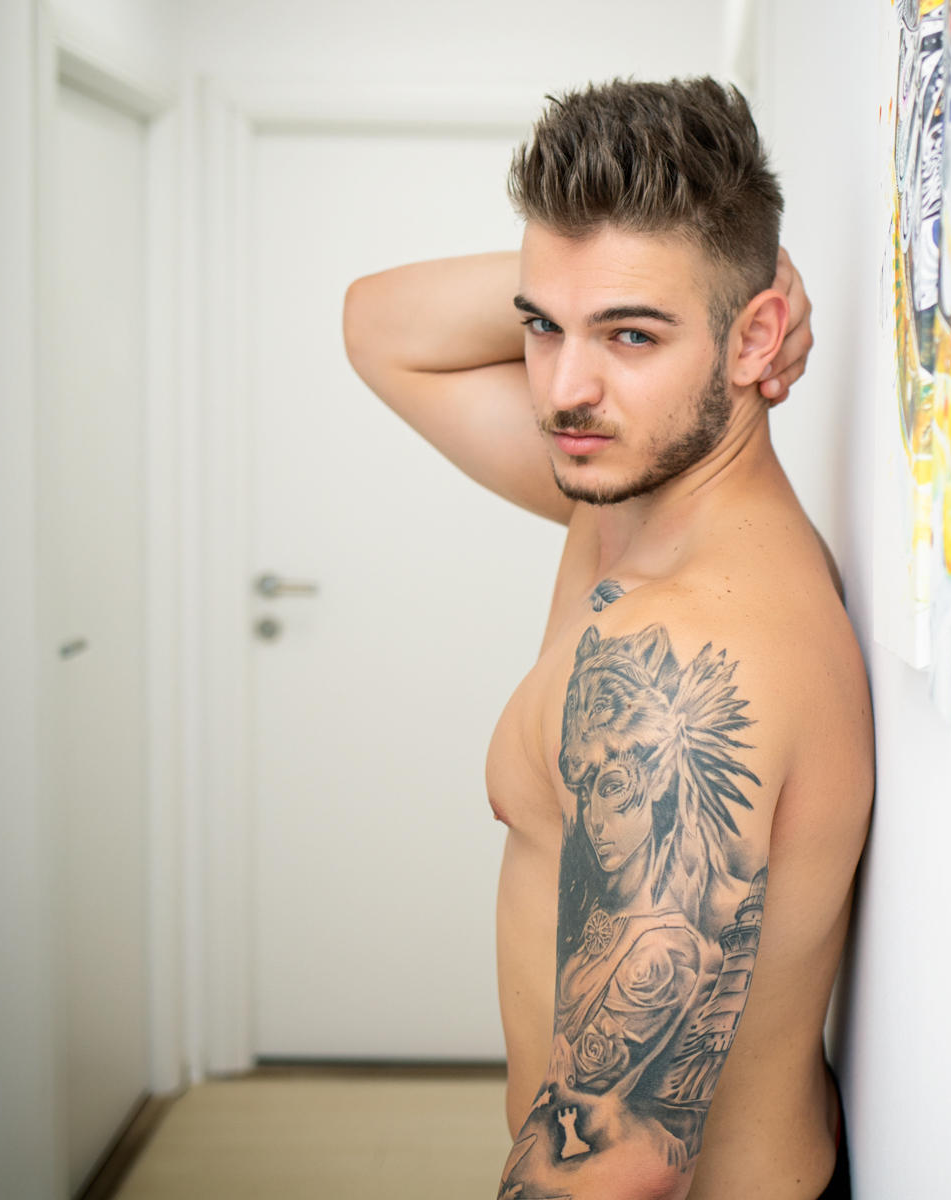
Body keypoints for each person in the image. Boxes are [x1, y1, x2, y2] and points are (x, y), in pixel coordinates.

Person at [342, 76, 873, 1199]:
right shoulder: (622, 492)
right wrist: (684, 279)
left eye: (632, 333)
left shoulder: (688, 648)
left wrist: (718, 279)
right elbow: (376, 325)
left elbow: (617, 1164)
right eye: (543, 326)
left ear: (756, 337)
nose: (565, 390)